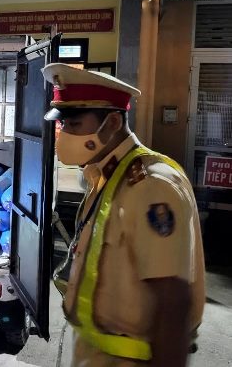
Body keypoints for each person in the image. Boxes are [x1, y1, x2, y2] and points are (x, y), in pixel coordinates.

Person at [46, 63, 205, 367]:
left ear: (113, 123)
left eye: (74, 125)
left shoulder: (151, 187)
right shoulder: (105, 174)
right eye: (63, 125)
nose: (63, 134)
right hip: (96, 355)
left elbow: (173, 302)